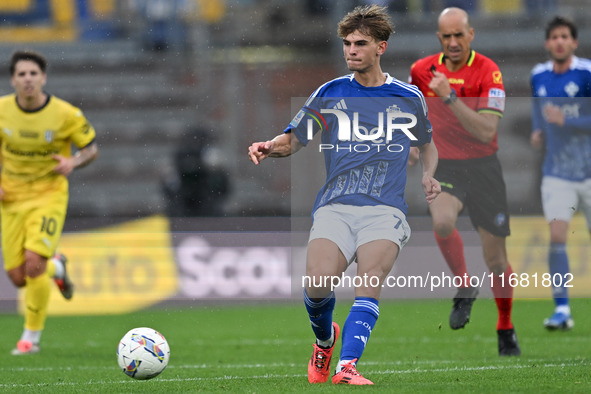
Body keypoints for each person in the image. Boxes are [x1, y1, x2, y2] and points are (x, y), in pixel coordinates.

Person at [248, 5, 440, 385]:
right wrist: (272, 145)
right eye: (347, 43)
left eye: (360, 43)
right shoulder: (330, 93)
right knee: (318, 284)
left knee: (370, 277)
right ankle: (325, 341)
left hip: (386, 209)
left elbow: (427, 143)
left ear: (380, 47)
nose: (351, 50)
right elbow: (296, 139)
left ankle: (346, 366)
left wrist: (429, 174)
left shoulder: (407, 97)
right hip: (335, 206)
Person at [408, 7, 520, 355]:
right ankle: (464, 286)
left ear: (472, 35)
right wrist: (412, 144)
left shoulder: (489, 72)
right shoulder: (421, 70)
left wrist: (450, 97)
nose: (453, 42)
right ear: (439, 38)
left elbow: (487, 131)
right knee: (441, 222)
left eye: (460, 35)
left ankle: (505, 325)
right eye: (447, 36)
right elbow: (415, 114)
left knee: (497, 261)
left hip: (484, 168)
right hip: (447, 166)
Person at [0, 50, 98, 355]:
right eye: (22, 74)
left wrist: (74, 161)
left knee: (33, 265)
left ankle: (30, 338)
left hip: (48, 195)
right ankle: (57, 268)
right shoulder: (2, 110)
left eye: (33, 74)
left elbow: (91, 148)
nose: (28, 79)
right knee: (17, 277)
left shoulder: (66, 114)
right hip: (12, 197)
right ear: (13, 79)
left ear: (43, 77)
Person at [530, 16, 591, 331]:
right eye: (554, 37)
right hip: (557, 173)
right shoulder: (538, 75)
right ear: (547, 43)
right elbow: (538, 110)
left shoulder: (587, 73)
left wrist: (567, 121)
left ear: (574, 42)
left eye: (565, 36)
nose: (559, 41)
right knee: (556, 236)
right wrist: (538, 130)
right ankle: (562, 309)